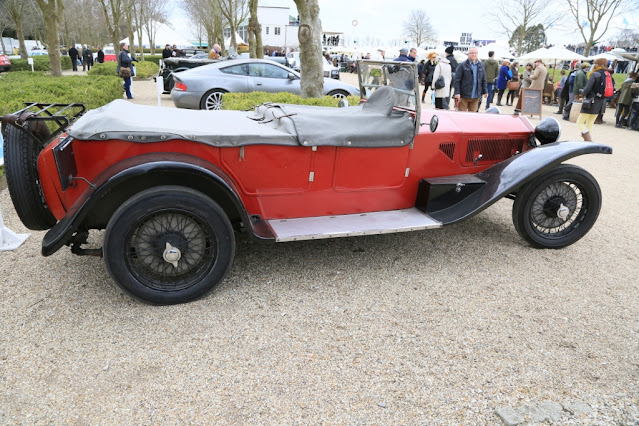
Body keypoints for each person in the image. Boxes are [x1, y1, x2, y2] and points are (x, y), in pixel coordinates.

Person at [576, 58, 609, 141]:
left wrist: (581, 92)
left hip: (590, 101)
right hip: (601, 102)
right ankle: (588, 141)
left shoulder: (595, 74)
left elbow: (587, 89)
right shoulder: (607, 74)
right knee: (590, 123)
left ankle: (588, 140)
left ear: (597, 65)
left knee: (580, 122)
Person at [453, 47, 487, 112]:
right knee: (461, 115)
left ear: (477, 54)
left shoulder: (481, 65)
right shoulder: (462, 65)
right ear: (468, 54)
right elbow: (457, 80)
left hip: (476, 96)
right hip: (463, 95)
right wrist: (457, 93)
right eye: (471, 53)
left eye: (475, 53)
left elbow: (484, 79)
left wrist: (485, 91)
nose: (473, 54)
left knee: (473, 116)